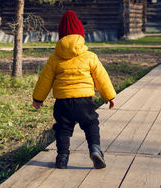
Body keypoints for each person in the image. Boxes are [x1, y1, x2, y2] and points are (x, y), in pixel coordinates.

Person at [32, 10, 115, 169]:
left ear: (61, 36)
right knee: (91, 124)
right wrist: (109, 96)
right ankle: (95, 149)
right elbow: (101, 77)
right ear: (81, 36)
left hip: (62, 102)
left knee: (63, 128)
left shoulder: (54, 58)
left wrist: (38, 99)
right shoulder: (90, 56)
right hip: (84, 101)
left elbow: (45, 80)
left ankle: (62, 157)